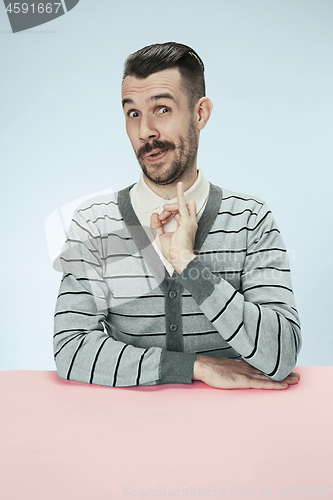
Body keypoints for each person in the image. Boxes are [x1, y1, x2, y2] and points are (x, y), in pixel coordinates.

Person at [54, 42, 301, 390]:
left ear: (200, 114)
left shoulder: (250, 221)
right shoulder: (95, 224)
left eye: (162, 109)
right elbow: (70, 349)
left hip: (237, 431)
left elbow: (281, 354)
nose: (145, 132)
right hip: (124, 432)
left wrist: (189, 265)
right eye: (133, 113)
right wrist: (193, 366)